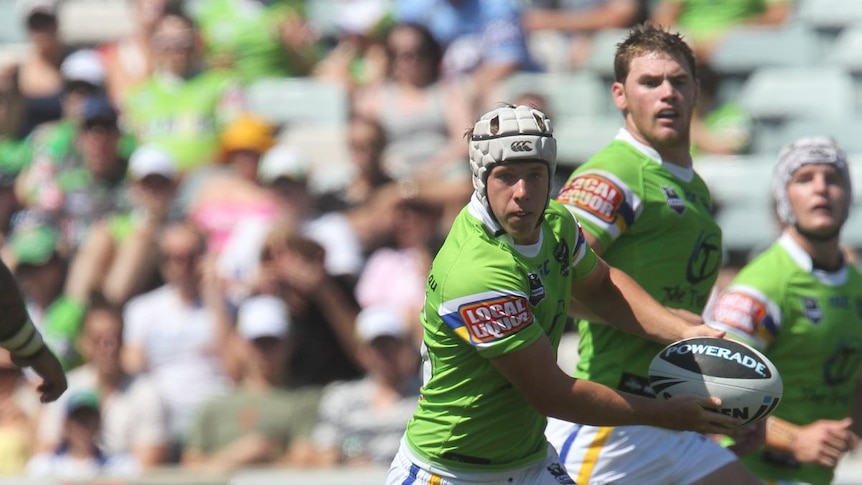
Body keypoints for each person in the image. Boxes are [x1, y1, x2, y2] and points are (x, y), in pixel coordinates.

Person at [385, 103, 742, 485]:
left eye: (535, 175)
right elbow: (553, 394)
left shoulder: (556, 223)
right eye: (506, 176)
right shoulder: (477, 272)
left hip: (529, 461)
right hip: (451, 471)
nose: (523, 193)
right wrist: (661, 414)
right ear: (480, 178)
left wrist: (680, 331)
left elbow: (602, 286)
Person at [545, 23, 761, 485]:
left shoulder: (694, 185)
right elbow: (554, 279)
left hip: (677, 413)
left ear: (697, 90)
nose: (668, 93)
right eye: (650, 82)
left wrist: (743, 397)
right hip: (613, 419)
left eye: (679, 81)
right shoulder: (615, 174)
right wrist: (671, 323)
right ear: (620, 95)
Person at [707, 136, 862, 485]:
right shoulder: (761, 286)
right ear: (783, 199)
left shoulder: (855, 285)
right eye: (804, 179)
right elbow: (714, 389)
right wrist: (796, 439)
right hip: (751, 473)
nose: (821, 189)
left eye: (833, 179)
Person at [181, 294, 321, 470]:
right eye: (257, 342)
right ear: (239, 343)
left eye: (272, 341)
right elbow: (189, 471)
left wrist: (264, 455)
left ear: (289, 343)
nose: (263, 351)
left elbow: (305, 465)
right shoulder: (212, 407)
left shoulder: (305, 400)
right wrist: (239, 456)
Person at [35, 294, 169, 468]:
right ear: (83, 343)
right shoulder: (64, 388)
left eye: (114, 338)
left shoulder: (146, 393)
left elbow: (146, 467)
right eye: (98, 339)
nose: (107, 347)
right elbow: (44, 453)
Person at [311, 305, 420, 466]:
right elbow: (323, 451)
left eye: (391, 343)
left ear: (404, 347)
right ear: (361, 353)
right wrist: (346, 460)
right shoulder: (340, 397)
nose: (385, 353)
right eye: (377, 345)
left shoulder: (426, 396)